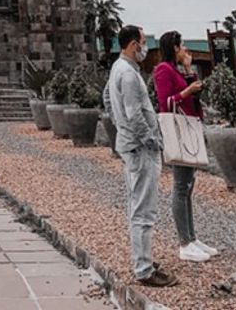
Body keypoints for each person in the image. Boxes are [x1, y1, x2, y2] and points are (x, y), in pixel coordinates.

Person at [103, 24, 178, 289]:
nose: (145, 48)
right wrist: (153, 140)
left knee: (138, 204)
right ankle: (144, 269)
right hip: (140, 148)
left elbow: (108, 101)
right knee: (144, 210)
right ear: (134, 44)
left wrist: (119, 126)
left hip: (130, 145)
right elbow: (134, 113)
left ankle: (142, 258)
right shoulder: (129, 74)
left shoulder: (117, 69)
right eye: (143, 43)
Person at [153, 30, 218, 262]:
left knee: (188, 185)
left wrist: (189, 72)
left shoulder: (176, 70)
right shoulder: (163, 70)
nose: (185, 51)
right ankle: (184, 242)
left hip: (188, 128)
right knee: (181, 186)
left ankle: (192, 237)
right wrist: (186, 91)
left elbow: (191, 96)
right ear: (174, 47)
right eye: (182, 46)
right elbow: (164, 103)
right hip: (178, 131)